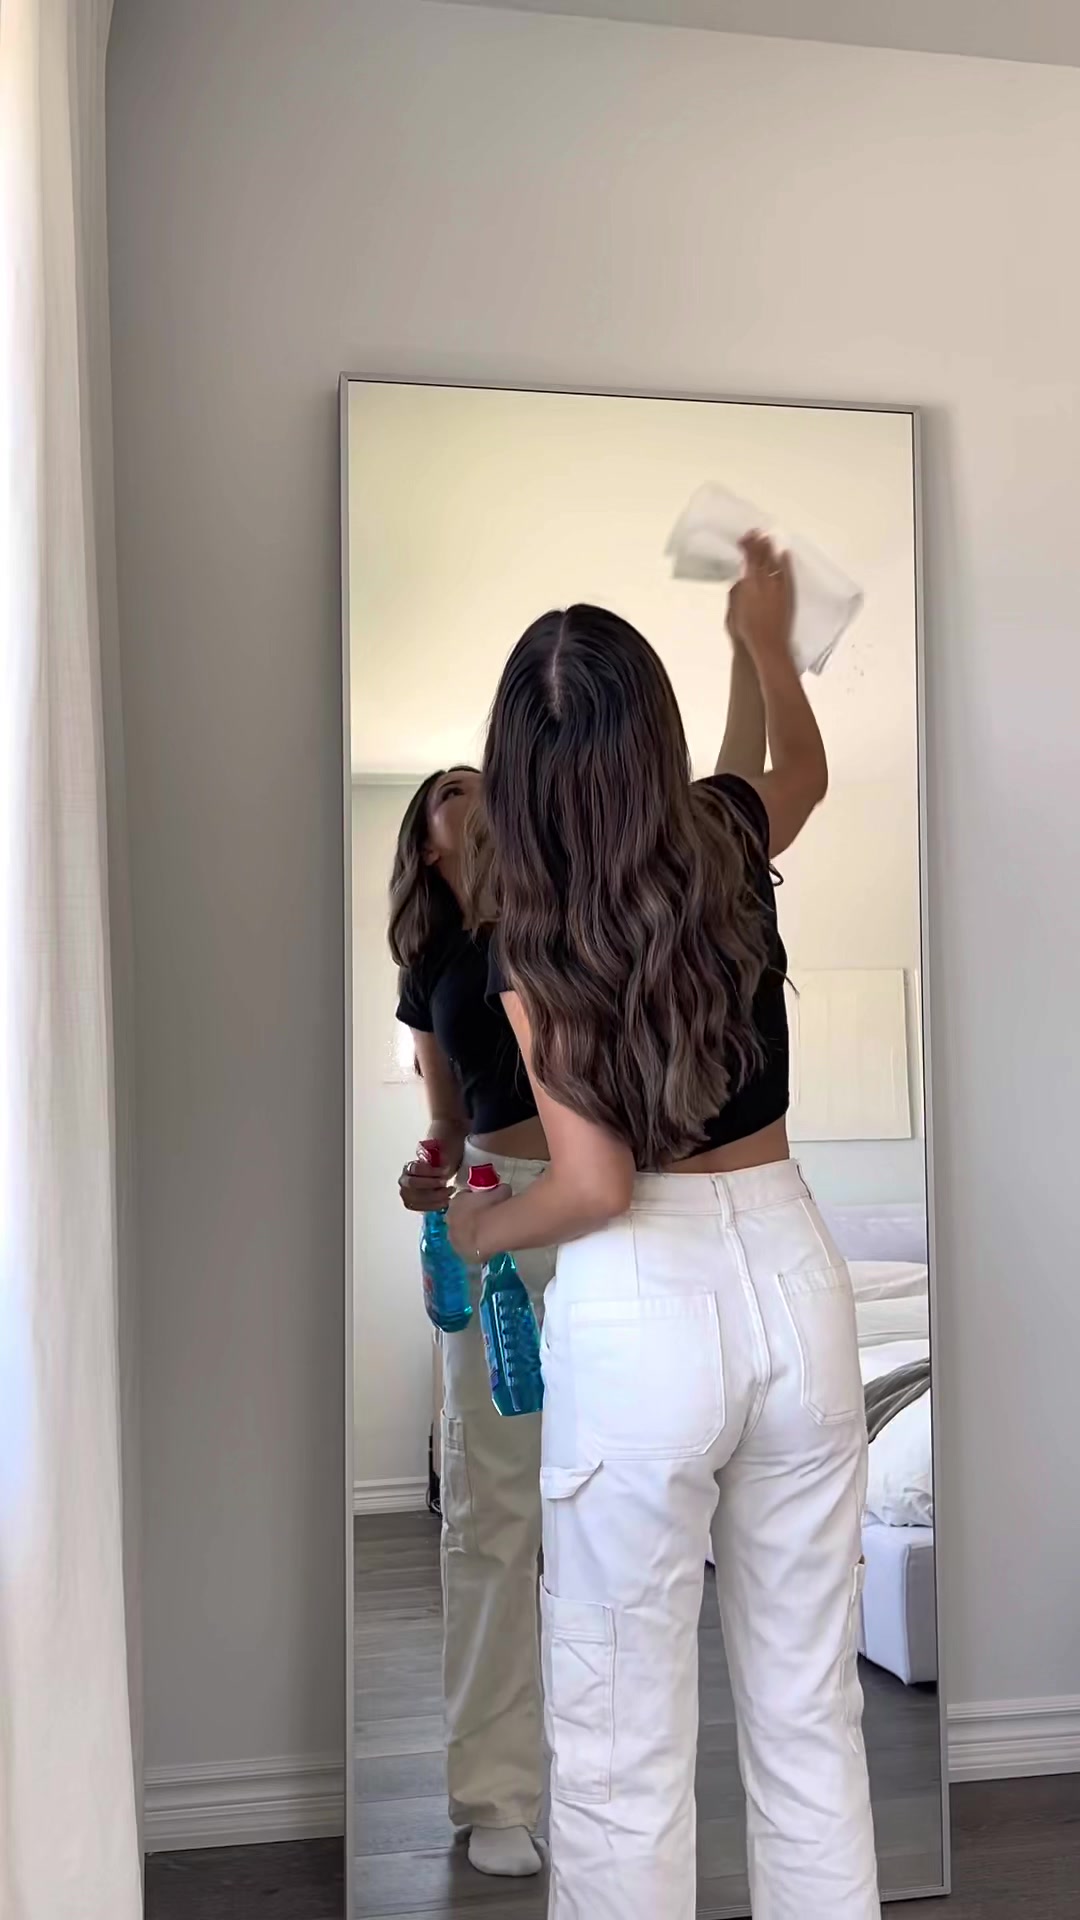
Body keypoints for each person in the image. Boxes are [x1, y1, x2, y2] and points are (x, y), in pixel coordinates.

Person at [447, 538, 880, 1920]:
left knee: (624, 1751)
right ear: (656, 736)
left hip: (648, 1316)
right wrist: (764, 642)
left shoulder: (534, 932)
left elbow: (592, 1187)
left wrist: (479, 1230)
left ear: (519, 770)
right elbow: (796, 769)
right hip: (796, 1278)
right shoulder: (722, 839)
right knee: (809, 1720)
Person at [390, 766, 552, 1879]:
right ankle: (495, 1791)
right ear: (428, 841)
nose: (476, 787)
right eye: (452, 788)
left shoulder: (566, 909)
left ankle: (614, 1769)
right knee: (492, 1510)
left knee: (618, 1498)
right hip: (492, 1222)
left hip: (609, 1210)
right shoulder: (433, 967)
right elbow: (446, 1124)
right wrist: (427, 1173)